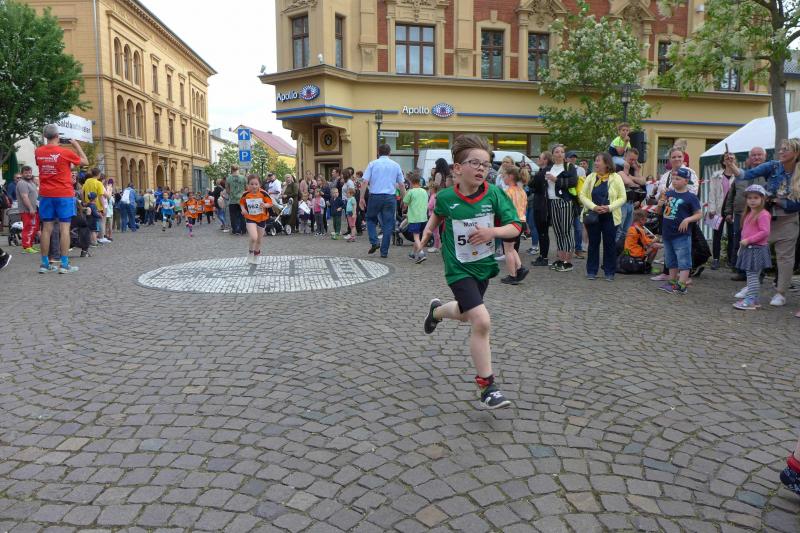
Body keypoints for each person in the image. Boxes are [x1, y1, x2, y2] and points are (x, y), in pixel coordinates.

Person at [415, 134, 521, 410]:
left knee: (465, 314)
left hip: (483, 267)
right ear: (457, 168)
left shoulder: (494, 194)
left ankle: (436, 312)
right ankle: (487, 387)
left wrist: (492, 232)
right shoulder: (446, 197)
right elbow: (438, 214)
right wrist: (427, 231)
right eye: (475, 163)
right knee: (481, 321)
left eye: (486, 164)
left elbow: (515, 226)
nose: (481, 168)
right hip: (457, 268)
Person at [726, 138, 800, 307]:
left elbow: (796, 205)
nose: (780, 152)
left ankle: (781, 292)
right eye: (780, 149)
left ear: (796, 153)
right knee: (754, 252)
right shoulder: (773, 166)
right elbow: (746, 174)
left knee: (785, 258)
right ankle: (752, 287)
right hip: (765, 217)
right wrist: (732, 166)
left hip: (788, 220)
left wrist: (776, 200)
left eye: (785, 149)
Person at [35, 124, 88, 273]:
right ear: (58, 136)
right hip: (64, 194)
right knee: (65, 228)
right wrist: (76, 145)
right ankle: (64, 265)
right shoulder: (65, 152)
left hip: (46, 194)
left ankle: (45, 264)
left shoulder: (38, 151)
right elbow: (85, 162)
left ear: (45, 136)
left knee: (46, 229)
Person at [579, 153, 626, 281]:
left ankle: (609, 271)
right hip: (593, 215)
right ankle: (591, 270)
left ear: (606, 163)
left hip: (610, 216)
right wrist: (593, 207)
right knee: (593, 243)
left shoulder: (616, 177)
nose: (595, 163)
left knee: (609, 244)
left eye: (598, 160)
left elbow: (623, 197)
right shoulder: (591, 177)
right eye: (595, 160)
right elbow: (582, 195)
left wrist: (609, 207)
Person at [656, 167, 702, 294]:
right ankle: (672, 282)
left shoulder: (691, 197)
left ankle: (682, 285)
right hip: (667, 233)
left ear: (686, 181)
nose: (674, 181)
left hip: (681, 234)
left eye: (678, 179)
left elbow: (699, 214)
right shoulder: (668, 194)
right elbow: (659, 212)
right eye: (673, 179)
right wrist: (660, 203)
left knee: (683, 260)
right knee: (670, 260)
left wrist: (687, 220)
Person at [724, 147, 767, 281]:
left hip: (760, 215)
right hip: (740, 214)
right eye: (754, 155)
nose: (756, 157)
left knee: (758, 244)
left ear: (765, 157)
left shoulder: (769, 174)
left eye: (759, 155)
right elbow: (731, 195)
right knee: (740, 242)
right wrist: (728, 211)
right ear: (749, 158)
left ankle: (759, 273)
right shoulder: (740, 175)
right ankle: (741, 271)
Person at [359, 144, 406, 258]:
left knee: (370, 219)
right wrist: (404, 199)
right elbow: (401, 184)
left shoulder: (372, 164)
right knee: (388, 224)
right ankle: (384, 252)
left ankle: (374, 241)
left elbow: (365, 182)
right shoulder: (395, 165)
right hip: (390, 197)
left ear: (378, 152)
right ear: (389, 153)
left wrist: (361, 198)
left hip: (375, 196)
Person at [731, 185, 772, 310]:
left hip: (756, 249)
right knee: (751, 276)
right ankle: (754, 299)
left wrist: (748, 240)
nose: (752, 200)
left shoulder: (763, 214)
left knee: (752, 276)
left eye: (755, 198)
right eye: (749, 198)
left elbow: (765, 232)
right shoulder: (749, 213)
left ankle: (750, 300)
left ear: (762, 199)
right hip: (749, 248)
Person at [542, 145, 578, 272]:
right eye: (557, 152)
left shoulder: (569, 166)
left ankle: (568, 262)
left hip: (565, 201)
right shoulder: (549, 168)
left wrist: (556, 179)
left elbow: (573, 182)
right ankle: (561, 259)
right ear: (552, 154)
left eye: (562, 152)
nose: (560, 154)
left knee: (566, 230)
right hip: (552, 201)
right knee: (557, 231)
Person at [500, 165, 529, 285]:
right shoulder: (522, 191)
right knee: (511, 248)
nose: (502, 178)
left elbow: (504, 209)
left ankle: (512, 275)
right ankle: (520, 268)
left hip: (511, 222)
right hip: (521, 222)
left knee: (508, 250)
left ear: (511, 176)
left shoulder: (508, 192)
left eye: (504, 176)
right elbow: (525, 208)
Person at [706, 153, 733, 270]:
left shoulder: (738, 175)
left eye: (732, 158)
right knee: (717, 235)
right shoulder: (716, 175)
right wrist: (711, 208)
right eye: (727, 158)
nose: (730, 160)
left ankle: (731, 260)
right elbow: (712, 192)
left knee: (732, 234)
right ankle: (716, 259)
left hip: (732, 209)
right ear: (723, 161)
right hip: (718, 208)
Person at [240, 175, 273, 264]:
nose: (254, 186)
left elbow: (270, 203)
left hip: (262, 218)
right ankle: (250, 252)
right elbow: (241, 203)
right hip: (250, 218)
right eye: (251, 184)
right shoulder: (245, 194)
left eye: (256, 184)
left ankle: (256, 255)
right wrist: (243, 209)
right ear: (248, 185)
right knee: (254, 237)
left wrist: (265, 205)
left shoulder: (263, 193)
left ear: (259, 185)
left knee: (259, 240)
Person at [530, 151, 553, 267]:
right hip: (543, 204)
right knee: (543, 232)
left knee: (542, 232)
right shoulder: (546, 171)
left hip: (542, 205)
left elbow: (532, 185)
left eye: (539, 158)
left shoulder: (543, 172)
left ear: (545, 160)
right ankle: (543, 256)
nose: (538, 160)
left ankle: (544, 257)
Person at [621, 209, 662, 273]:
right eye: (645, 220)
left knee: (652, 245)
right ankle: (648, 267)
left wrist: (648, 237)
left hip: (627, 252)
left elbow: (640, 239)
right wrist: (656, 239)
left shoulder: (631, 227)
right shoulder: (640, 230)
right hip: (635, 253)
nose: (646, 221)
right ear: (641, 220)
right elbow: (648, 243)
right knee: (655, 246)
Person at [403, 173, 429, 264]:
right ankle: (413, 253)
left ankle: (421, 253)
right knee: (418, 237)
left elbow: (405, 203)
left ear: (411, 182)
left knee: (416, 237)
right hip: (424, 218)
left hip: (414, 218)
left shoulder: (410, 192)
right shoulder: (424, 191)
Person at [567, 151, 586, 259]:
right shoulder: (563, 168)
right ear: (566, 158)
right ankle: (565, 249)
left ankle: (578, 249)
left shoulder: (580, 169)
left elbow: (582, 185)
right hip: (566, 201)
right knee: (566, 228)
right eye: (571, 157)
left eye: (574, 157)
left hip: (577, 203)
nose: (573, 159)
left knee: (578, 228)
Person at [16, 166, 39, 254]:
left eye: (29, 172)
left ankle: (30, 245)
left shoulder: (31, 182)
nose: (28, 174)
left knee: (34, 228)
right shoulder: (22, 183)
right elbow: (24, 197)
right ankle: (26, 247)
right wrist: (30, 208)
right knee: (28, 228)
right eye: (26, 173)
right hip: (27, 210)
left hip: (34, 209)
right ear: (22, 174)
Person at [226, 165, 247, 235]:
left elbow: (227, 190)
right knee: (242, 215)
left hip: (232, 200)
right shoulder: (243, 178)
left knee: (233, 216)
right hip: (242, 200)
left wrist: (232, 193)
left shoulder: (228, 178)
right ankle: (243, 230)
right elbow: (246, 189)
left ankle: (235, 230)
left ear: (231, 169)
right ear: (238, 169)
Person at [426, 182, 441, 253]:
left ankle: (436, 246)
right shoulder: (436, 195)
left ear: (433, 189)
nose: (429, 190)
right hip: (434, 216)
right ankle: (437, 245)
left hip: (433, 216)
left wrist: (427, 206)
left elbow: (431, 206)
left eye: (430, 188)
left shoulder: (433, 196)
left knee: (435, 232)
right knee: (435, 232)